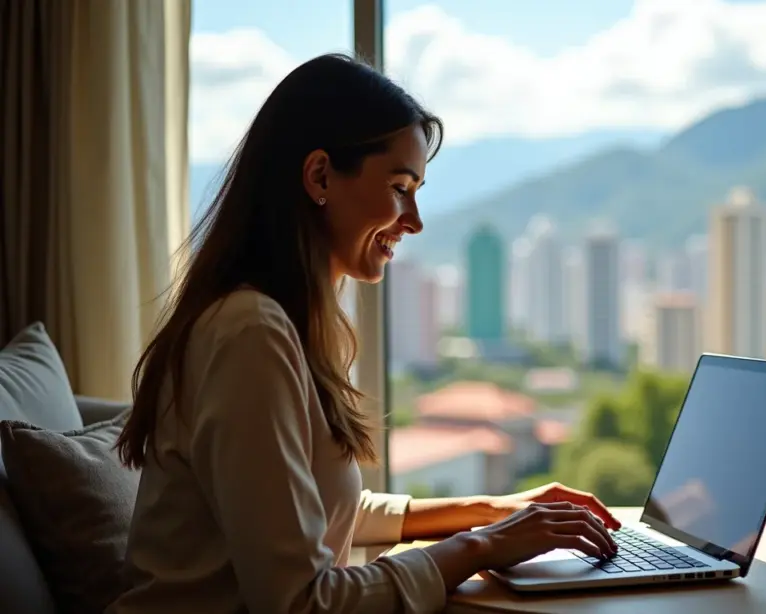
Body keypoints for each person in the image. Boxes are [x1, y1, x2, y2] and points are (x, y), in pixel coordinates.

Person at [106, 53, 620, 614]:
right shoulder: (250, 333)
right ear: (320, 176)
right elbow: (299, 602)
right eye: (400, 187)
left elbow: (314, 508)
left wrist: (496, 511)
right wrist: (482, 546)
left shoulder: (288, 321)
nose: (414, 220)